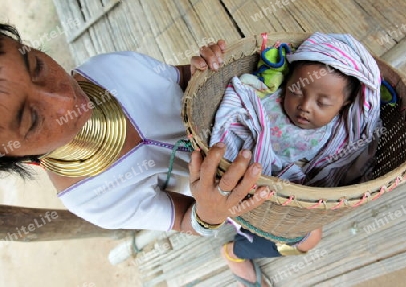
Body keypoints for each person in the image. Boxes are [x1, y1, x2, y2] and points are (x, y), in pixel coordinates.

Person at [0, 22, 272, 238]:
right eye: (31, 120)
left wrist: (208, 67)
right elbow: (185, 220)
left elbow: (187, 79)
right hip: (257, 191)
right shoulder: (92, 197)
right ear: (10, 156)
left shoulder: (112, 69)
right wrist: (210, 213)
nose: (64, 99)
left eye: (37, 65)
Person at [213, 32, 382, 286]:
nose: (305, 106)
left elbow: (338, 165)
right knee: (308, 239)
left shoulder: (339, 132)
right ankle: (235, 253)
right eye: (297, 91)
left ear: (345, 104)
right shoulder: (269, 103)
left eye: (322, 102)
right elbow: (242, 108)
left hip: (293, 203)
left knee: (309, 238)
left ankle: (241, 247)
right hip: (248, 190)